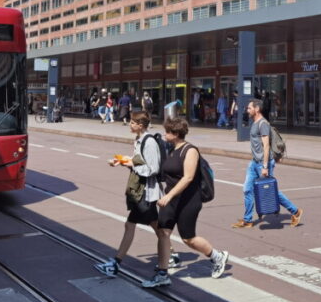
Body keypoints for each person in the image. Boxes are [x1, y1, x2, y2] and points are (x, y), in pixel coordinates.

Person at [144, 117, 228, 288]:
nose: (164, 134)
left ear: (175, 134)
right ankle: (162, 273)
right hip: (171, 200)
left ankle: (217, 256)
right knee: (163, 233)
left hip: (188, 200)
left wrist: (169, 195)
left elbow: (188, 177)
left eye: (167, 132)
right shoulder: (171, 149)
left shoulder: (190, 151)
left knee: (188, 239)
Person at [94, 111, 180, 276]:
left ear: (141, 125)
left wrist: (129, 164)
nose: (130, 125)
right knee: (157, 228)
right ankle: (172, 255)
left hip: (146, 193)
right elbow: (139, 161)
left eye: (133, 123)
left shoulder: (149, 142)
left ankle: (115, 264)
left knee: (138, 226)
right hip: (141, 191)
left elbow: (152, 169)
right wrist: (123, 162)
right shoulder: (139, 140)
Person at [232, 98, 303, 229]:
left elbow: (266, 146)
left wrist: (265, 166)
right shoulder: (255, 123)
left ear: (256, 109)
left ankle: (295, 211)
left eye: (249, 108)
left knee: (271, 191)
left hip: (262, 164)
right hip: (254, 162)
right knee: (247, 190)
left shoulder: (263, 124)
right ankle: (248, 220)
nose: (247, 110)